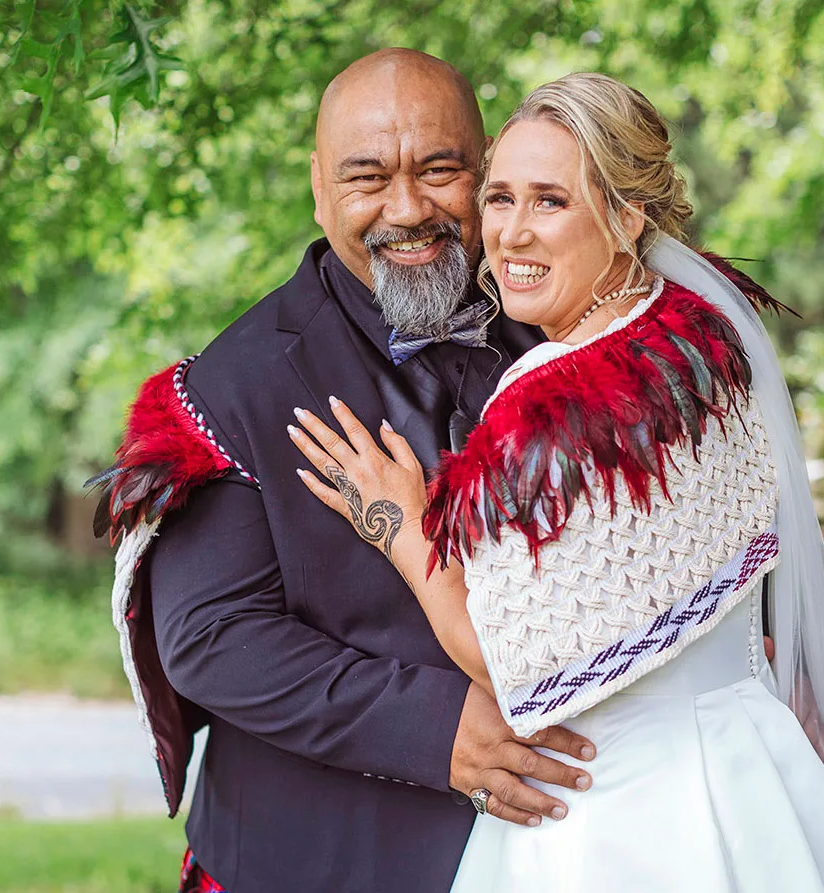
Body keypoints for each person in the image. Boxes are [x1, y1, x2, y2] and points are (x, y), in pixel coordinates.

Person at [291, 72, 824, 891]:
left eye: (550, 201)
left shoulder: (549, 402)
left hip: (617, 814)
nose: (510, 235)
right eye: (499, 198)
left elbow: (505, 661)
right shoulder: (700, 346)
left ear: (625, 214)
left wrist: (401, 527)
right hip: (754, 765)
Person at [88, 50, 598, 893]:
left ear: (488, 168)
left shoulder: (568, 327)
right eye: (368, 177)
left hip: (566, 844)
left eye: (442, 170)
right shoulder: (235, 381)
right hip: (311, 859)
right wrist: (433, 727)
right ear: (319, 187)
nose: (408, 209)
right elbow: (213, 639)